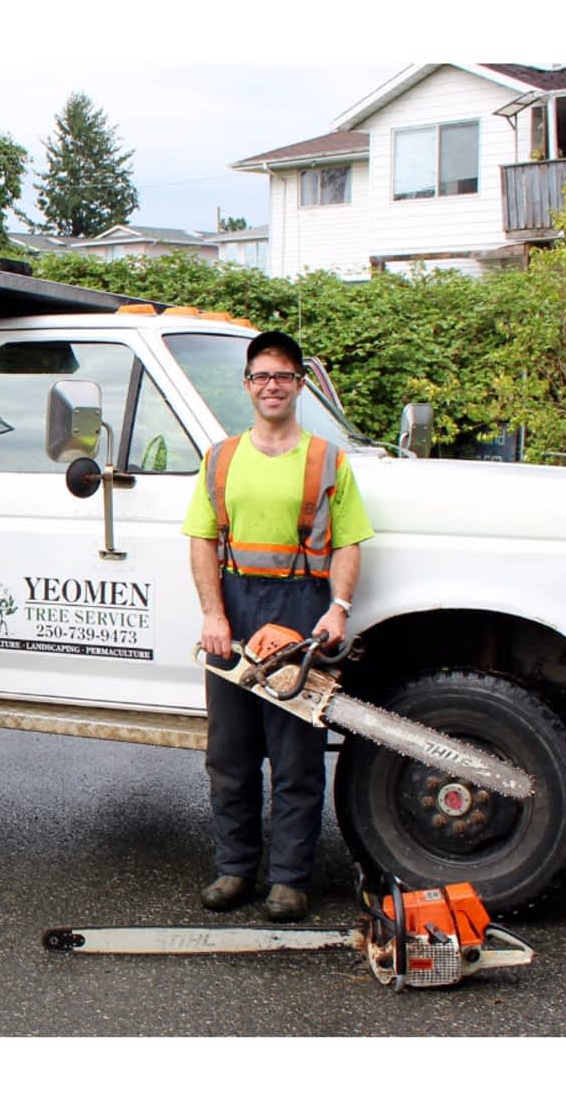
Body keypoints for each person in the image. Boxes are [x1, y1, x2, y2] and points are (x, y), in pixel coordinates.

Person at [181, 330, 374, 921]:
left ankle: (289, 881)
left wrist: (337, 607)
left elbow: (348, 542)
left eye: (283, 377)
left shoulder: (327, 459)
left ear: (299, 386)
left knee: (295, 759)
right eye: (262, 376)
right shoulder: (221, 457)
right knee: (231, 757)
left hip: (300, 609)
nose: (272, 386)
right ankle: (234, 871)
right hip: (234, 612)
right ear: (247, 385)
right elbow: (201, 539)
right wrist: (214, 614)